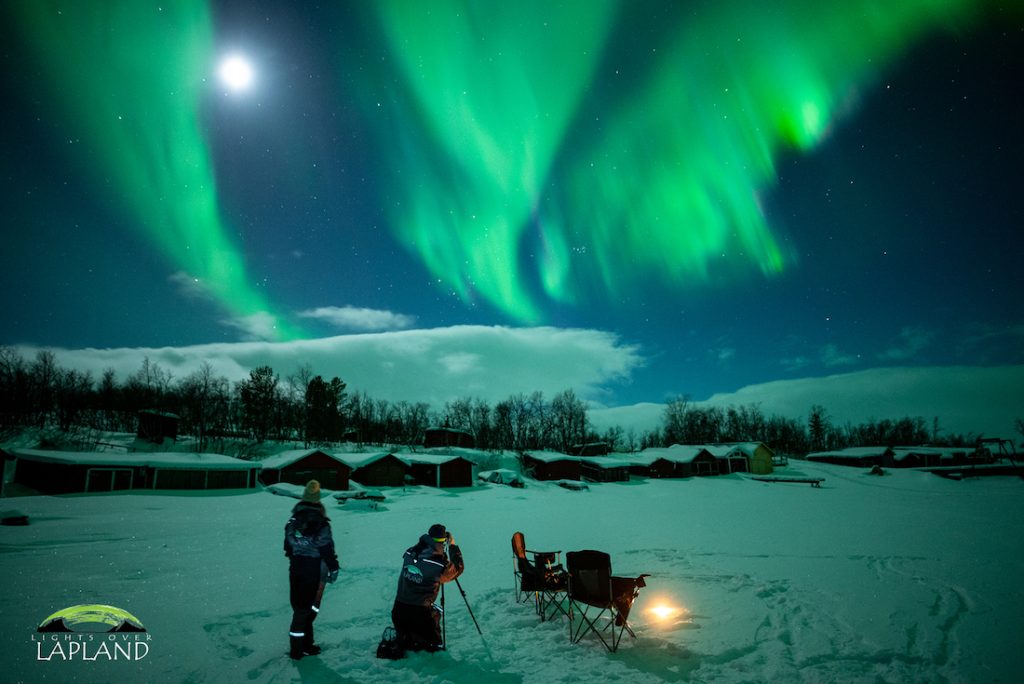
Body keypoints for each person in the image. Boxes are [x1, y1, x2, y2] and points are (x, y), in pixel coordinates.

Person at [283, 480, 340, 660]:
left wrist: (296, 558)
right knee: (306, 609)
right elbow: (326, 548)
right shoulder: (321, 523)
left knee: (300, 607)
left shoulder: (293, 521)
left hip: (296, 568)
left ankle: (306, 644)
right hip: (313, 569)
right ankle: (298, 649)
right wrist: (334, 567)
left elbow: (287, 547)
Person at [391, 523, 465, 652]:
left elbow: (423, 558)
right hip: (421, 614)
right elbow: (458, 568)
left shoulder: (410, 552)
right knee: (433, 650)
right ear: (443, 541)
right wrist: (452, 546)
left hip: (398, 610)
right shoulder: (439, 564)